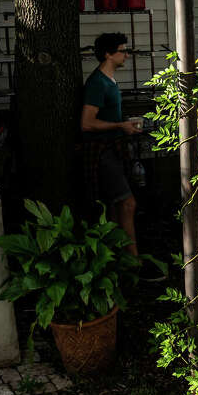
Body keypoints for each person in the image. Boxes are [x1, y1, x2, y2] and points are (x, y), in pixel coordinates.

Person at [82, 32, 146, 258]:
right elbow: (87, 123)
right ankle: (133, 261)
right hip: (102, 152)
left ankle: (118, 258)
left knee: (117, 206)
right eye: (122, 50)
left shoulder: (109, 80)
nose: (126, 55)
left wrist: (124, 125)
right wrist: (121, 125)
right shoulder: (97, 83)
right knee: (127, 203)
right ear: (108, 54)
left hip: (114, 149)